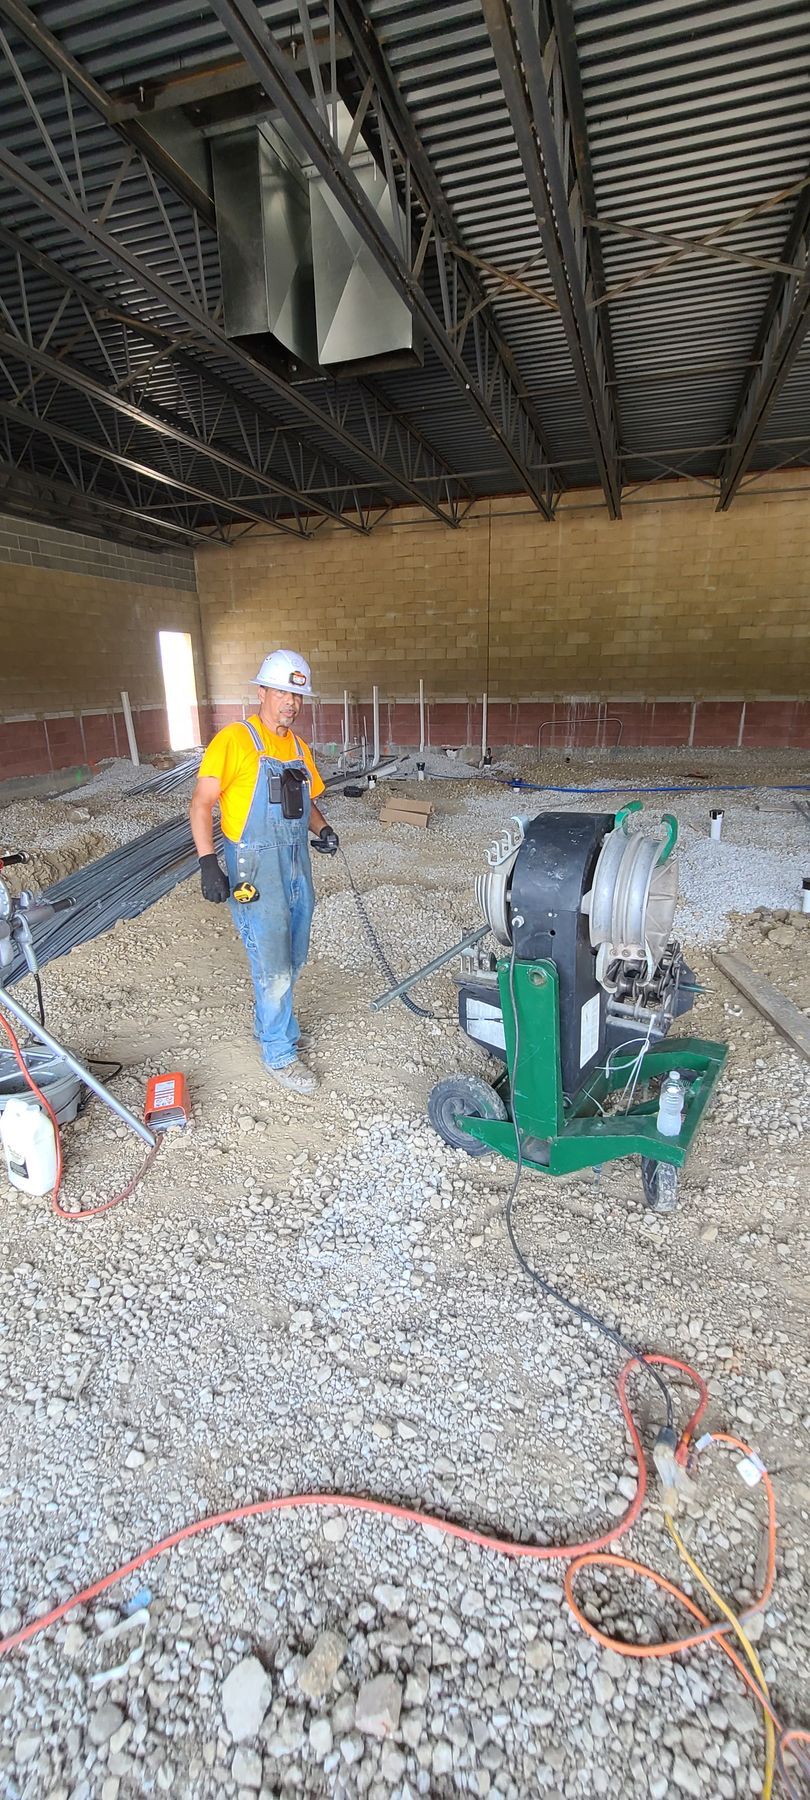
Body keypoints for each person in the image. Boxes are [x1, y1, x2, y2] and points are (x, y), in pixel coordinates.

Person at [189, 649, 338, 1094]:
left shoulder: (296, 748)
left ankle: (277, 1025)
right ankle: (278, 1050)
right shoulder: (235, 741)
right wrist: (207, 862)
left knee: (292, 953)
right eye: (282, 692)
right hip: (255, 866)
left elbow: (306, 801)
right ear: (262, 692)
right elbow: (201, 804)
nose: (291, 703)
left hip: (295, 862)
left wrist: (324, 827)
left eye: (298, 695)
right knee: (270, 960)